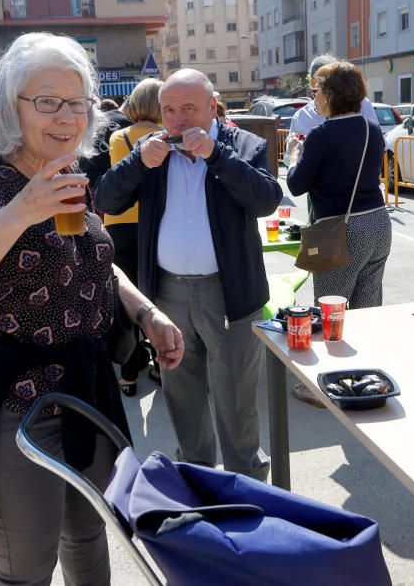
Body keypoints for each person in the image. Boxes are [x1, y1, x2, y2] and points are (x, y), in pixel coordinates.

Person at [0, 31, 184, 584]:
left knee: (90, 532)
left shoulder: (69, 170)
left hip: (85, 391)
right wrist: (19, 212)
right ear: (11, 106)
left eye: (77, 102)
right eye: (48, 101)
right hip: (13, 405)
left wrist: (146, 312)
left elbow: (94, 262)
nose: (67, 116)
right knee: (27, 564)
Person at [96, 68, 282, 481]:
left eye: (188, 109)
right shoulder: (151, 150)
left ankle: (247, 483)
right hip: (169, 292)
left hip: (229, 294)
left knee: (236, 397)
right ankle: (197, 478)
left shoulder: (242, 144)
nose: (177, 120)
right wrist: (137, 164)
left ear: (213, 107)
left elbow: (267, 200)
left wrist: (217, 156)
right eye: (169, 110)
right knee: (182, 394)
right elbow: (105, 197)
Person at [286, 61, 391, 405]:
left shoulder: (320, 134)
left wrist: (293, 156)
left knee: (332, 311)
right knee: (367, 306)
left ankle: (329, 385)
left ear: (329, 94)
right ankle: (367, 376)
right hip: (378, 221)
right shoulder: (372, 129)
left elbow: (297, 184)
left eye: (317, 91)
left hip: (341, 229)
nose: (315, 97)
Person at [105, 77, 164, 395]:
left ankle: (127, 375)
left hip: (118, 225)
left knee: (126, 301)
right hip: (154, 224)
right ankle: (160, 365)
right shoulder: (165, 138)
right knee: (155, 297)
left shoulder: (118, 138)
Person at [287, 54, 380, 146]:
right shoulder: (300, 117)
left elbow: (379, 146)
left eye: (339, 81)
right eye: (328, 83)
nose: (336, 88)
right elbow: (288, 157)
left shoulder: (363, 104)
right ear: (313, 83)